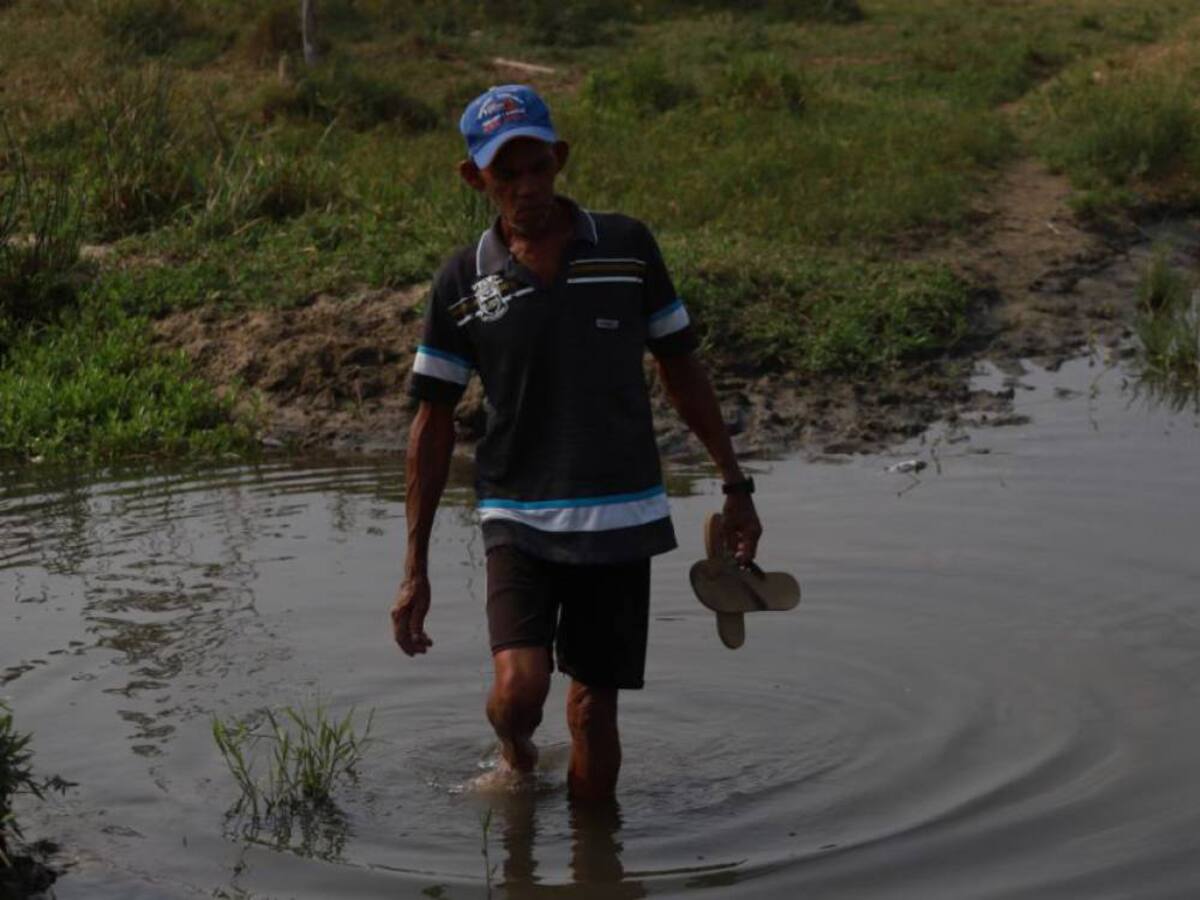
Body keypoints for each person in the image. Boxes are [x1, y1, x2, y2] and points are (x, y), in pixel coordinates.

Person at [391, 84, 762, 801]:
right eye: (508, 174)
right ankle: (514, 748)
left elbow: (681, 366)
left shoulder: (626, 248)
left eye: (539, 167)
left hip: (620, 513)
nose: (527, 187)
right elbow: (431, 421)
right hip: (517, 512)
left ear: (559, 159)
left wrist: (734, 483)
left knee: (593, 710)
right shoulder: (462, 282)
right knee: (520, 689)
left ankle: (598, 862)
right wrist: (415, 567)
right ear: (476, 179)